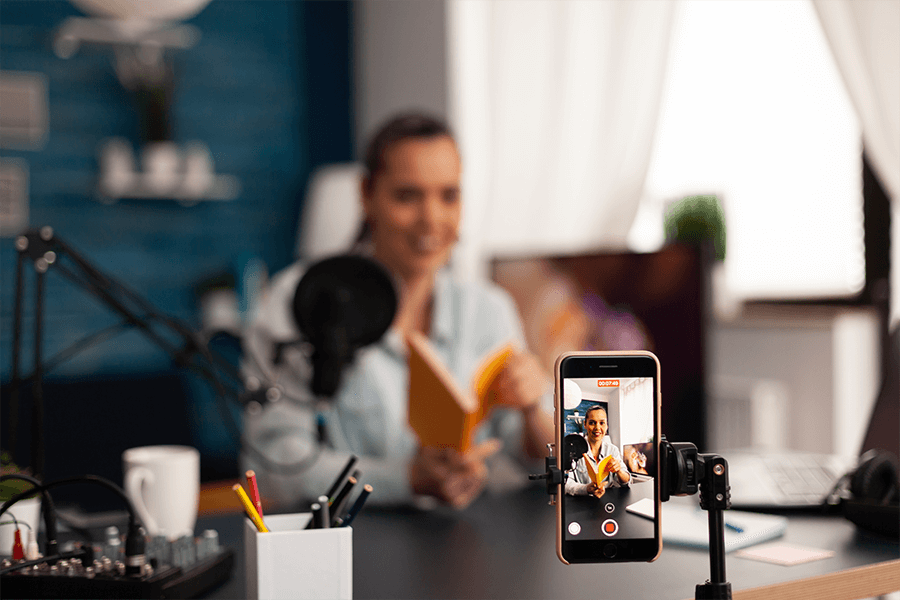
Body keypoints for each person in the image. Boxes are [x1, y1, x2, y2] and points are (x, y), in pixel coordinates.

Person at [241, 113, 553, 509]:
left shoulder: (488, 310)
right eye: (407, 196)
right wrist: (403, 479)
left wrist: (531, 410)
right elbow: (275, 467)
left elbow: (538, 460)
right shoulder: (299, 301)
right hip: (352, 548)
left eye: (449, 196)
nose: (432, 218)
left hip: (466, 551)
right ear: (367, 195)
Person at [565, 405, 630, 497]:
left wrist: (619, 471)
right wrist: (586, 488)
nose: (597, 428)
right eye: (592, 423)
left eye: (602, 423)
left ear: (607, 426)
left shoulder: (613, 450)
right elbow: (566, 484)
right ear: (585, 424)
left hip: (607, 503)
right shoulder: (574, 449)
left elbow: (626, 482)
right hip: (580, 504)